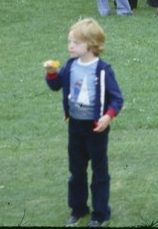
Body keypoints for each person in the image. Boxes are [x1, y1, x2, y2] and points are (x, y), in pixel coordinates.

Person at [43, 18, 123, 228]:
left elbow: (117, 99)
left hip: (96, 128)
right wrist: (51, 73)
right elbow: (57, 85)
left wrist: (108, 116)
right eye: (69, 42)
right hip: (75, 126)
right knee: (76, 170)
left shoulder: (103, 70)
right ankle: (78, 209)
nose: (70, 46)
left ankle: (100, 213)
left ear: (91, 45)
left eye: (75, 43)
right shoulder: (70, 66)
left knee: (99, 172)